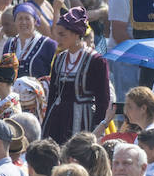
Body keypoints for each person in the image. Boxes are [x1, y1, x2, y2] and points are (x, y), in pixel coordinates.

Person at [40, 7, 111, 143]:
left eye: (63, 35)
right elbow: (52, 96)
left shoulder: (96, 61)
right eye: (57, 34)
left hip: (82, 120)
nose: (58, 38)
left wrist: (97, 128)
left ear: (76, 34)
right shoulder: (59, 59)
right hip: (57, 121)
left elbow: (103, 99)